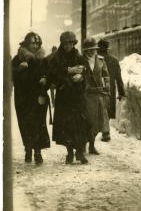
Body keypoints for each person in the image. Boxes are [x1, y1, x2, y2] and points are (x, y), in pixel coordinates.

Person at [48, 31, 90, 164]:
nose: (68, 46)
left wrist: (82, 76)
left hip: (78, 98)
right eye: (66, 44)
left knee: (80, 124)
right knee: (66, 126)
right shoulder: (56, 58)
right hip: (64, 97)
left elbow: (87, 71)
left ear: (74, 44)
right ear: (62, 44)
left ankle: (79, 152)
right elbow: (52, 74)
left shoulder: (79, 56)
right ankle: (70, 153)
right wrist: (68, 71)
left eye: (70, 43)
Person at [11, 32, 50, 164]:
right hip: (23, 97)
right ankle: (28, 148)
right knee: (25, 123)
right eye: (32, 43)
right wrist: (18, 69)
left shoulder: (43, 60)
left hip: (39, 96)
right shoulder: (18, 59)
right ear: (27, 44)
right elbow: (8, 74)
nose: (35, 46)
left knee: (39, 124)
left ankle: (37, 152)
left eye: (37, 43)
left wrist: (46, 80)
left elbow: (49, 74)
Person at [82, 38, 110, 153]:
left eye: (93, 49)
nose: (91, 52)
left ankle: (92, 146)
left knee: (97, 121)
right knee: (86, 121)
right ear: (85, 51)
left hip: (98, 95)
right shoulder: (80, 60)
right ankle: (83, 144)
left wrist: (107, 87)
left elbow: (105, 75)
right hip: (86, 95)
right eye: (88, 50)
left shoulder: (101, 60)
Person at [98, 39, 126, 141]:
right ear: (107, 48)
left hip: (97, 89)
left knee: (97, 110)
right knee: (107, 110)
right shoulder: (114, 60)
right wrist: (122, 92)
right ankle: (106, 133)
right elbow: (118, 78)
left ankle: (100, 133)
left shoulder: (95, 59)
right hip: (110, 89)